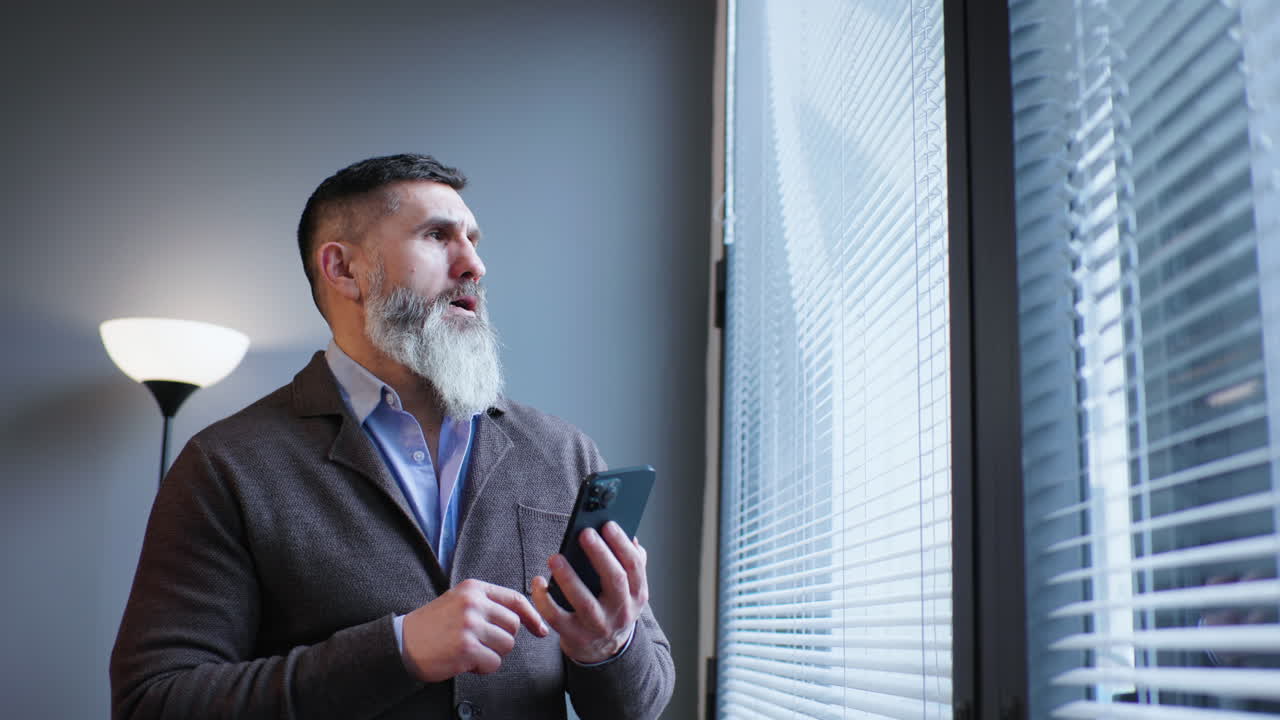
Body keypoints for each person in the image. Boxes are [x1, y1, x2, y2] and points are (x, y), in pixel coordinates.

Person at [109, 154, 675, 720]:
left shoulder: (564, 453)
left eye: (473, 240)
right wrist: (397, 649)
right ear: (344, 270)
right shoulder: (225, 466)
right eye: (437, 236)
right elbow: (153, 702)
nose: (474, 264)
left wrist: (609, 647)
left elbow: (641, 706)